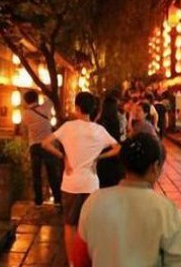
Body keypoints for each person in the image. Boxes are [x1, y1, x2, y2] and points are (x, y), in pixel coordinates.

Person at [73, 133, 181, 267]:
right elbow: (179, 262)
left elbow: (80, 258)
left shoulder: (94, 201)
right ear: (155, 166)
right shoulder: (167, 210)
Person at [41, 92, 121, 266]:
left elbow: (45, 143)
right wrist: (99, 157)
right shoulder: (99, 130)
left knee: (70, 225)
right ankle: (90, 260)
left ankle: (72, 262)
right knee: (90, 226)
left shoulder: (68, 127)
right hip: (91, 184)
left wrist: (63, 156)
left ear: (77, 108)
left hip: (71, 183)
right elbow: (117, 148)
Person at [22, 90, 63, 207]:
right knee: (52, 173)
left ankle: (38, 201)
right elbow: (50, 98)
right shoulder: (45, 108)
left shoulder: (25, 114)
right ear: (37, 98)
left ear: (26, 101)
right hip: (48, 145)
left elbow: (25, 129)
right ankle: (57, 199)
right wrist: (43, 91)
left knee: (36, 174)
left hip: (34, 146)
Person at [97, 96, 125, 188]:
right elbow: (121, 137)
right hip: (114, 156)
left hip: (101, 156)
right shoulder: (117, 122)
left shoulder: (99, 122)